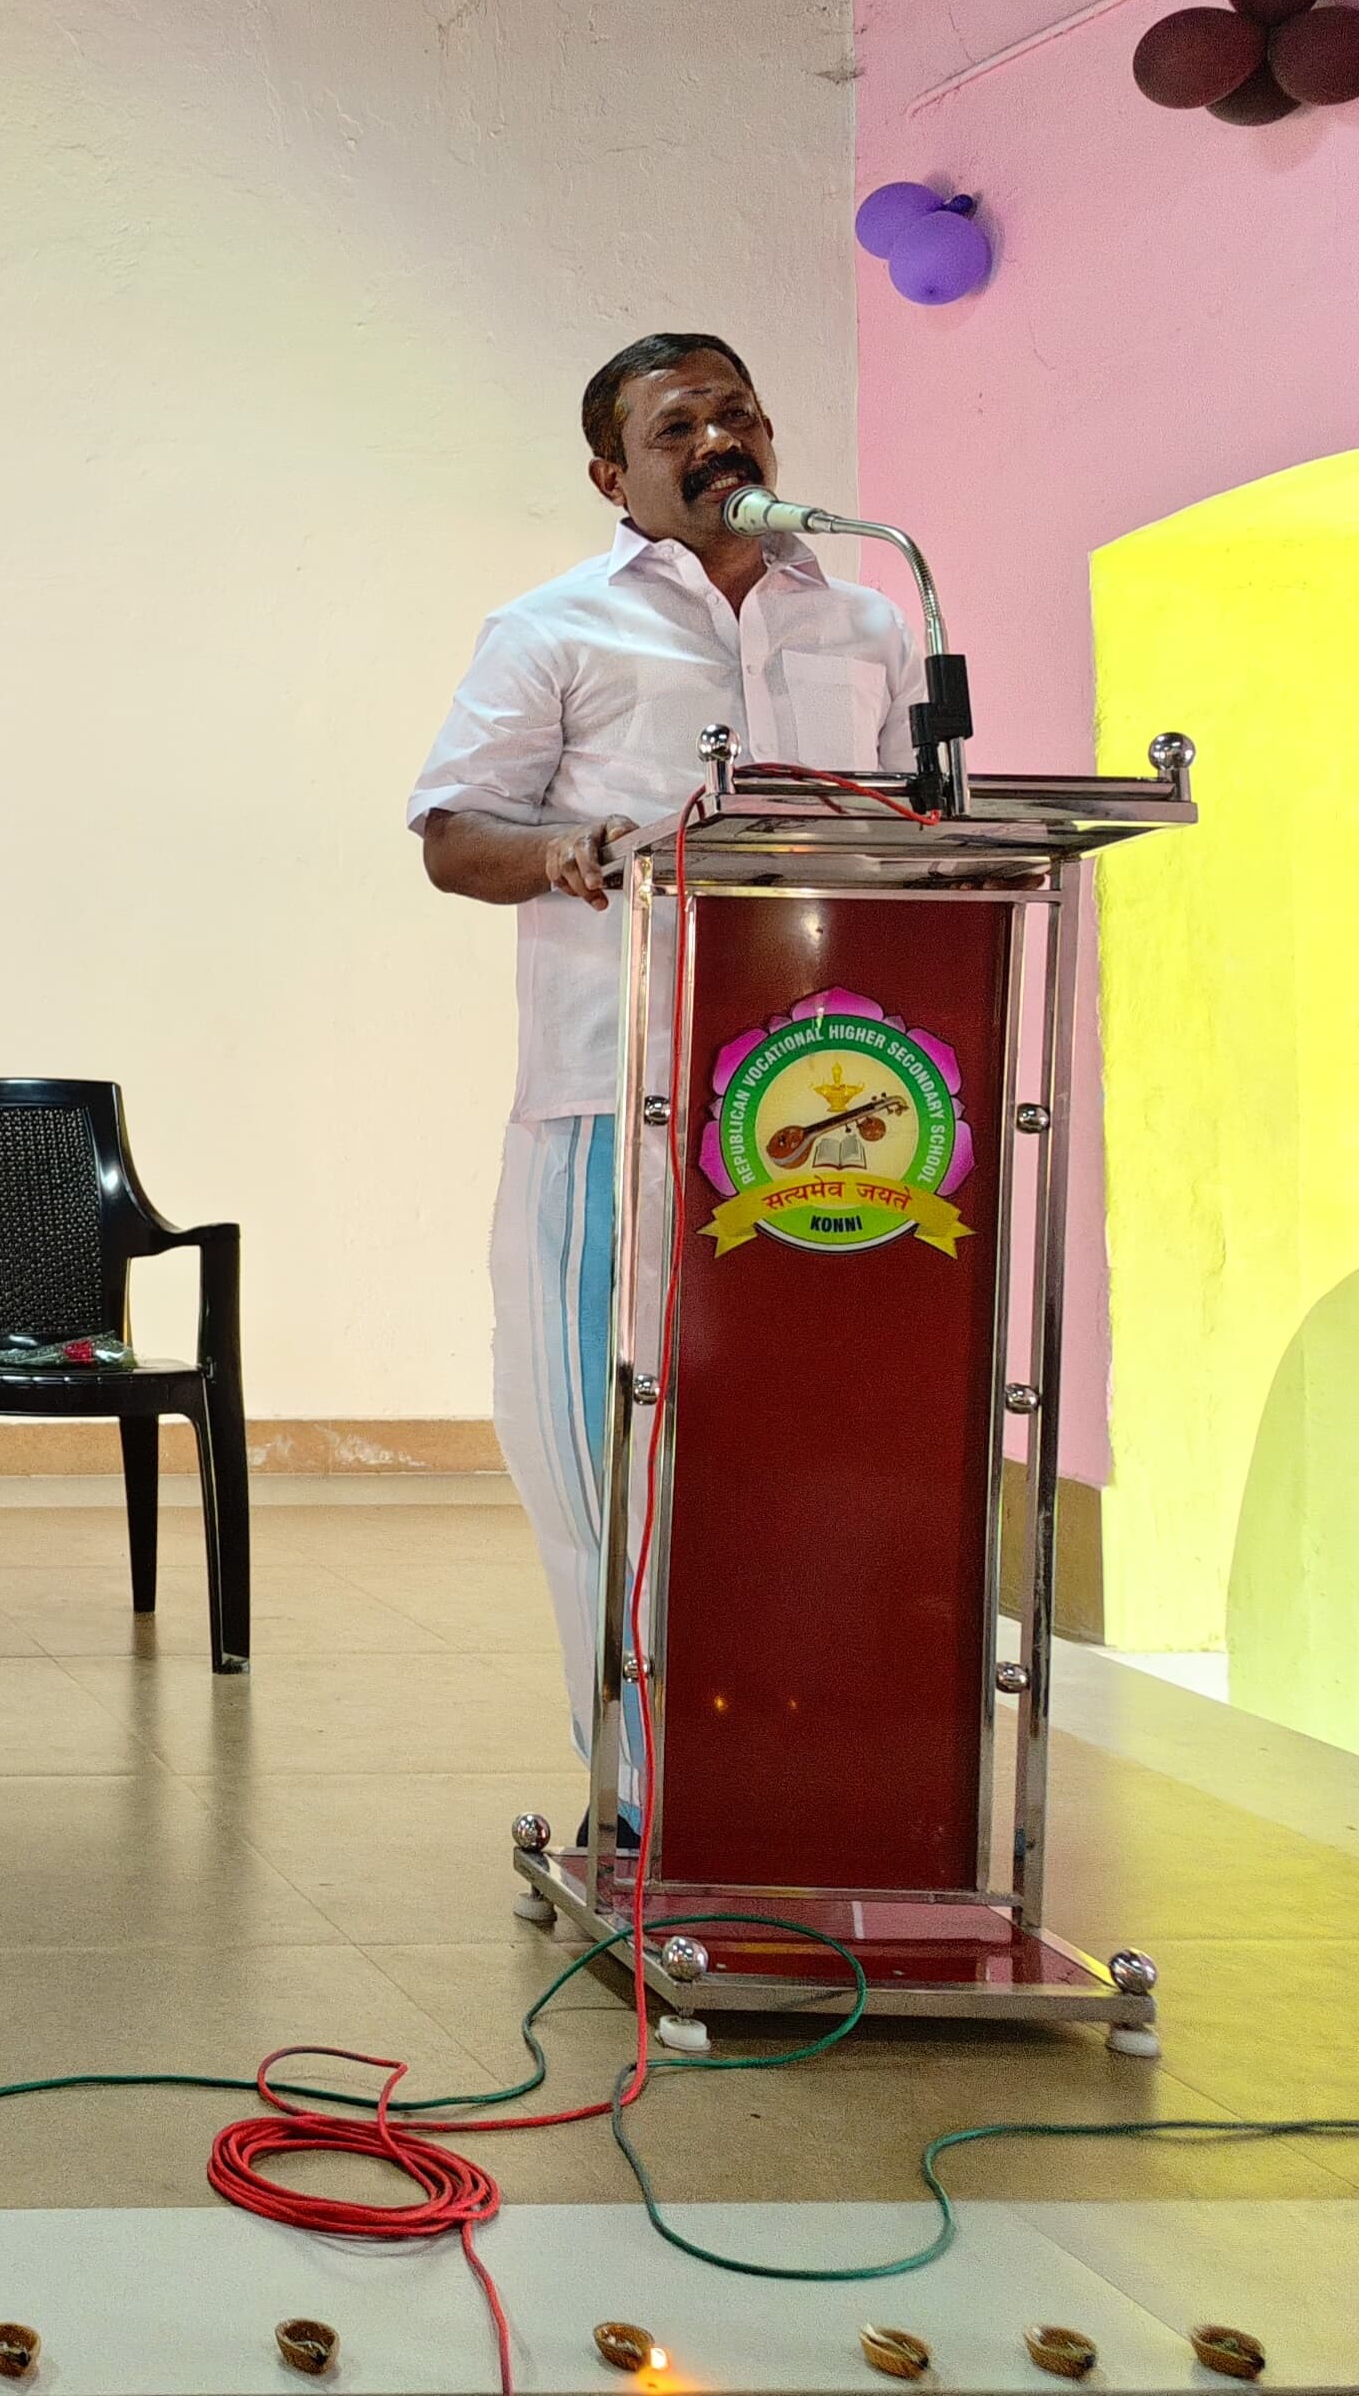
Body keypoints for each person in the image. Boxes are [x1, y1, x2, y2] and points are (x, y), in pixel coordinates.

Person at [407, 333, 919, 1811]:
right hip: (611, 1094)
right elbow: (453, 834)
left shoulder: (871, 622)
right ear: (610, 475)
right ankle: (639, 1793)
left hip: (826, 1107)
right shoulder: (553, 628)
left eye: (736, 412)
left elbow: (921, 836)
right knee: (605, 1458)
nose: (717, 439)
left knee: (809, 1452)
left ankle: (803, 1777)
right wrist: (563, 850)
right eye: (676, 425)